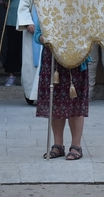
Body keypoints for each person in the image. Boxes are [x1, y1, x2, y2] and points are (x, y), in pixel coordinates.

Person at [35, 24, 89, 161]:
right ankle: (58, 145)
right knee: (55, 100)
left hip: (75, 54)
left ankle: (76, 145)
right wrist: (43, 38)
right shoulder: (46, 3)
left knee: (75, 100)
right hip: (52, 58)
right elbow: (37, 32)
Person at [16, 0, 42, 105]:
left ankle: (48, 94)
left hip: (52, 29)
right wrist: (28, 22)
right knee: (31, 63)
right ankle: (31, 94)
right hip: (34, 27)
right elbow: (24, 4)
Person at [1, 0, 26, 87]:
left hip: (28, 18)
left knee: (26, 49)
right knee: (13, 47)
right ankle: (11, 75)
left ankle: (26, 76)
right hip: (13, 17)